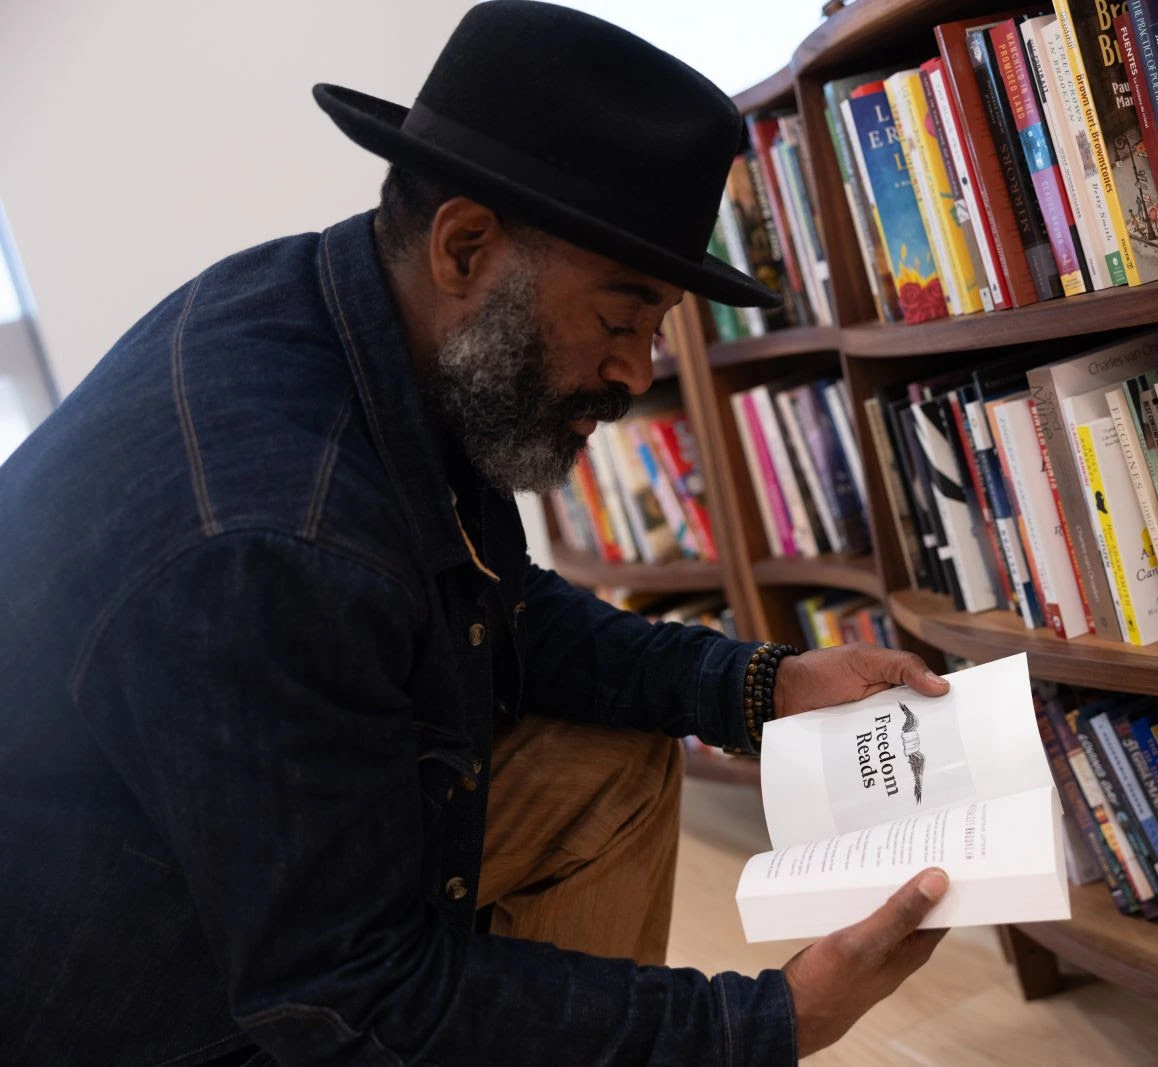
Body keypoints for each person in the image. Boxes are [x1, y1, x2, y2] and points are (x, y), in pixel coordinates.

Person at [0, 3, 956, 1063]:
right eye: (619, 316)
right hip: (115, 996)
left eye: (654, 331)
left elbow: (496, 609)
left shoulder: (353, 316)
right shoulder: (272, 540)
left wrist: (764, 683)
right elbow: (349, 995)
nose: (637, 373)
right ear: (464, 245)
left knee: (605, 762)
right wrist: (771, 1020)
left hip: (209, 866)